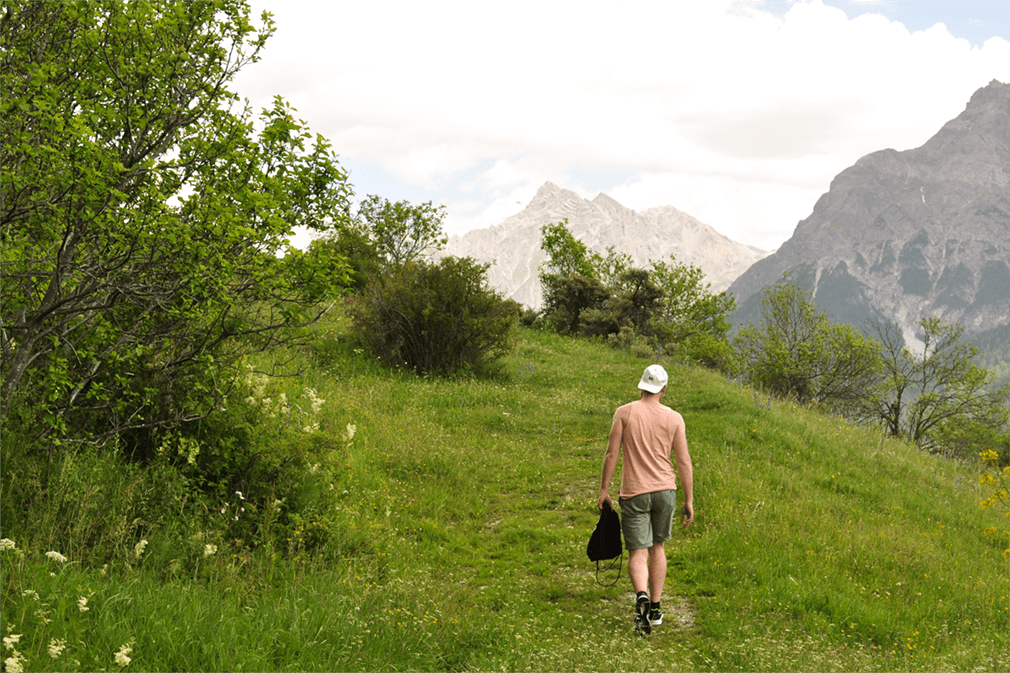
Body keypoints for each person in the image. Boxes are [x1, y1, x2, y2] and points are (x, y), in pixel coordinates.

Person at [598, 364, 694, 635]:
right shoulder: (675, 418)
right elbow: (684, 461)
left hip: (634, 492)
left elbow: (611, 454)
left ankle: (640, 595)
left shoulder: (624, 413)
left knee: (638, 552)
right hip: (665, 491)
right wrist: (689, 499)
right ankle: (655, 606)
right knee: (658, 548)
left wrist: (604, 490)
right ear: (664, 389)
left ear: (641, 385)